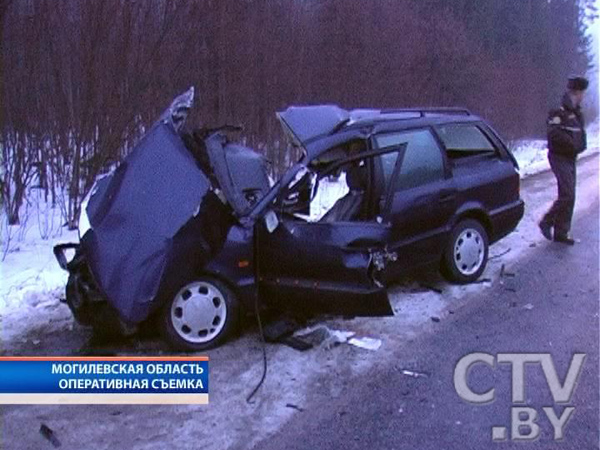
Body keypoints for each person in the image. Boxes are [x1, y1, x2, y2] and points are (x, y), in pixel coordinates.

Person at [539, 75, 588, 245]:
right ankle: (547, 221)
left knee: (569, 195)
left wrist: (579, 146)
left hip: (570, 157)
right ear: (576, 92)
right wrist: (572, 145)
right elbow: (553, 134)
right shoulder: (558, 111)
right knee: (567, 194)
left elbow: (579, 133)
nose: (583, 96)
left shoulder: (577, 112)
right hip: (559, 156)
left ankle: (561, 232)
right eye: (582, 92)